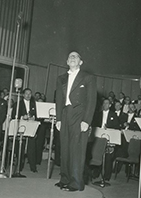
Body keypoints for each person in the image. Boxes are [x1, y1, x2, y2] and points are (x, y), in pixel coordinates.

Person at [55, 51, 97, 192]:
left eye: (76, 56)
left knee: (77, 150)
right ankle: (65, 179)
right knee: (65, 148)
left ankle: (76, 182)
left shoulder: (88, 77)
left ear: (81, 62)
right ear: (67, 62)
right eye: (70, 56)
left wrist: (87, 120)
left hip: (79, 116)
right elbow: (59, 100)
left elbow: (92, 100)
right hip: (65, 114)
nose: (72, 57)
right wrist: (59, 118)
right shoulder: (61, 78)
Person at [11, 88, 38, 172]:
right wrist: (23, 117)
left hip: (31, 128)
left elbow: (38, 115)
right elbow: (13, 115)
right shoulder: (18, 104)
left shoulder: (34, 104)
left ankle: (33, 167)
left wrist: (34, 118)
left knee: (32, 148)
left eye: (30, 93)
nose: (28, 95)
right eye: (26, 93)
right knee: (20, 148)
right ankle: (19, 167)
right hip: (21, 128)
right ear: (23, 95)